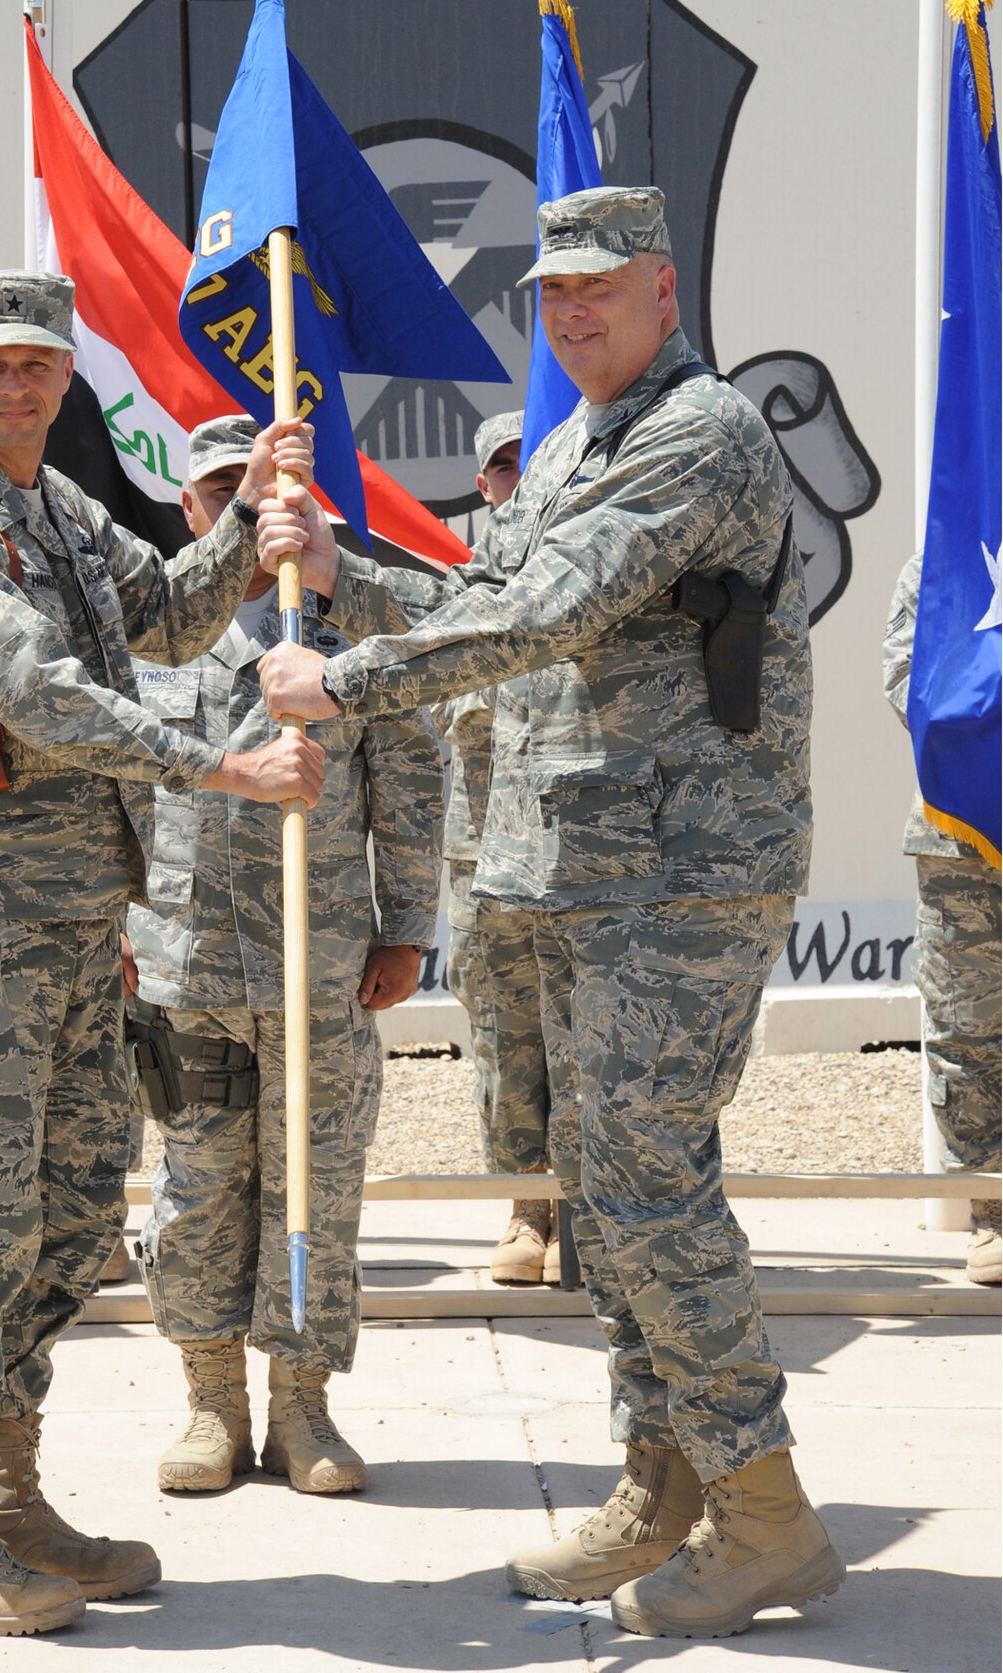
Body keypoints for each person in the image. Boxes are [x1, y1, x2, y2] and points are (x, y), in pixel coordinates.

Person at [255, 187, 845, 1640]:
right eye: (551, 297)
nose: (573, 315)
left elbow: (552, 612)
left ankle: (764, 1515)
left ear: (662, 290)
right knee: (603, 1187)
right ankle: (662, 1485)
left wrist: (343, 679)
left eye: (600, 289)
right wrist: (346, 579)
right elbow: (488, 589)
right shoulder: (583, 438)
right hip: (591, 865)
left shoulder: (698, 433)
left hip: (687, 867)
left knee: (645, 1182)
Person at [0, 271, 324, 1639]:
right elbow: (42, 694)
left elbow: (168, 619)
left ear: (66, 377)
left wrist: (248, 521)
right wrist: (214, 766)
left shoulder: (56, 512)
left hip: (67, 929)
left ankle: (9, 1500)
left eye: (37, 368)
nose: (16, 389)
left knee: (64, 1224)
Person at [126, 415, 444, 1498]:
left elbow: (408, 778)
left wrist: (407, 924)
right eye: (223, 491)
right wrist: (115, 932)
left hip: (322, 962)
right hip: (186, 966)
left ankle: (301, 1404)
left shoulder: (344, 630)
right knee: (198, 1187)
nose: (244, 512)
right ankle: (211, 1401)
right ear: (190, 506)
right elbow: (107, 787)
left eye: (260, 493)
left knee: (315, 1185)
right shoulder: (145, 632)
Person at [435, 411, 556, 1286]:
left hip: (581, 849)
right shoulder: (456, 590)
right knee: (507, 1039)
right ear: (483, 485)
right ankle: (527, 1205)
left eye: (531, 463)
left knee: (598, 1035)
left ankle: (603, 1212)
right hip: (483, 853)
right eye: (502, 467)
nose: (515, 479)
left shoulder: (594, 581)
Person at [883, 551, 1001, 1287]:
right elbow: (906, 682)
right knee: (967, 1026)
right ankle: (993, 1213)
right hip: (960, 831)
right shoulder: (946, 558)